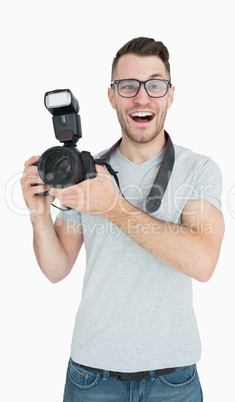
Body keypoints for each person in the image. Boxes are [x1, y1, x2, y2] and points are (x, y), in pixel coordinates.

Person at [21, 37, 224, 402]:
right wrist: (37, 213)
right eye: (128, 86)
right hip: (91, 377)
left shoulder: (199, 169)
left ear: (170, 95)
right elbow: (56, 268)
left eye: (155, 85)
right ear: (112, 97)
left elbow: (203, 262)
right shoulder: (84, 172)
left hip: (172, 380)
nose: (141, 98)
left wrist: (113, 207)